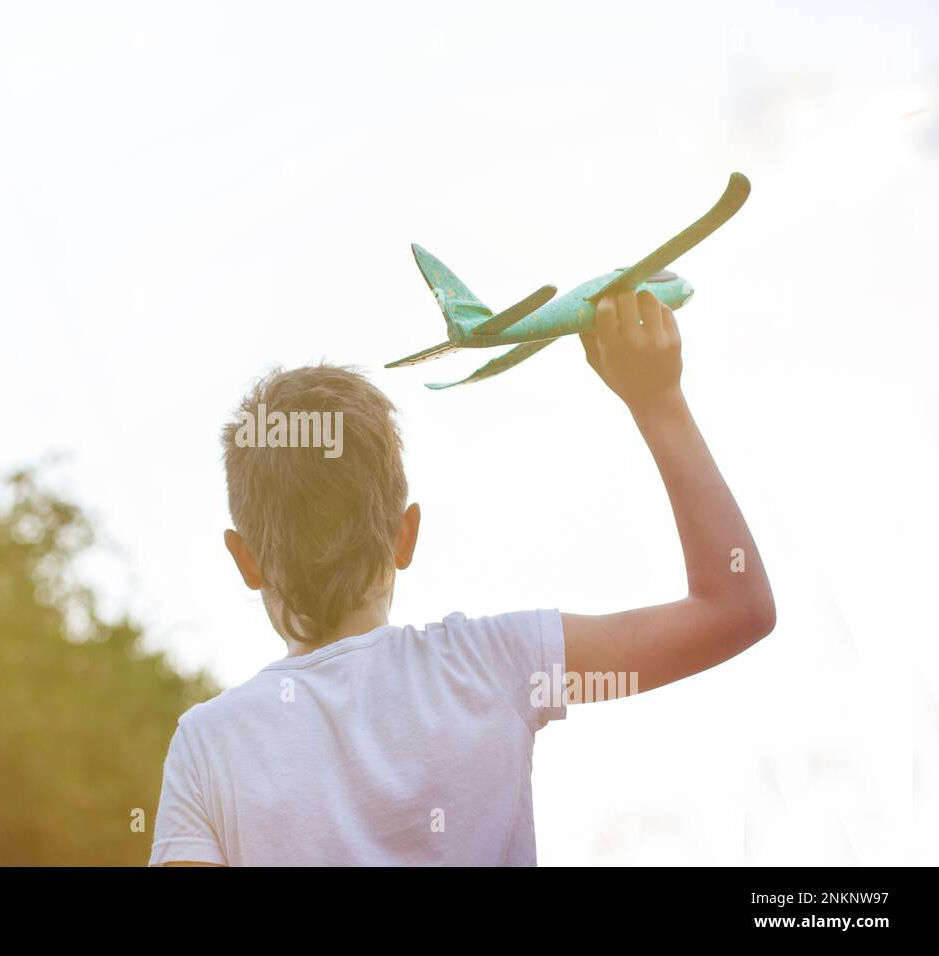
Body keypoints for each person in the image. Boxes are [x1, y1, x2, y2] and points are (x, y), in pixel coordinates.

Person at [149, 289, 776, 866]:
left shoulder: (207, 744)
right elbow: (736, 608)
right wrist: (658, 400)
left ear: (245, 558)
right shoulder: (493, 664)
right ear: (406, 535)